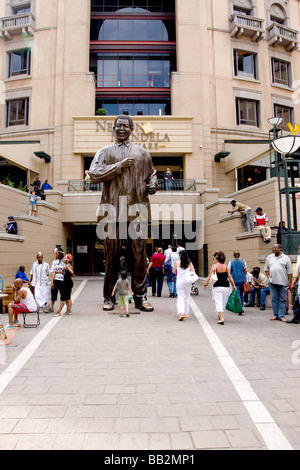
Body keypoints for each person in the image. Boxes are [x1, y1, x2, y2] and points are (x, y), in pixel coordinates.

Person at [88, 115, 158, 312]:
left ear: (131, 129)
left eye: (125, 126)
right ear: (113, 128)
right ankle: (108, 297)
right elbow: (93, 174)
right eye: (118, 126)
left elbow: (151, 174)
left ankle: (140, 296)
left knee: (139, 256)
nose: (121, 129)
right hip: (112, 212)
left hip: (137, 212)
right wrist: (117, 167)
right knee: (111, 256)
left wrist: (153, 183)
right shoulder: (105, 152)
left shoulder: (142, 153)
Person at [203, 251, 236, 325]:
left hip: (217, 286)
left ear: (217, 259)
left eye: (214, 258)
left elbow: (209, 276)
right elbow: (230, 277)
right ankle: (220, 314)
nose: (213, 259)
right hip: (226, 286)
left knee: (218, 302)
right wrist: (233, 285)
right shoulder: (226, 266)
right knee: (223, 301)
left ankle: (221, 318)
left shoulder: (214, 266)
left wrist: (205, 284)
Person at [264, 244, 293, 322]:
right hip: (272, 281)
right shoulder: (269, 257)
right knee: (274, 298)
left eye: (275, 248)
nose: (274, 249)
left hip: (283, 281)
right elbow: (266, 269)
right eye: (273, 248)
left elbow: (290, 271)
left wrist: (289, 281)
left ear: (280, 248)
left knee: (283, 299)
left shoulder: (286, 258)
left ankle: (281, 315)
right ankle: (275, 315)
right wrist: (269, 278)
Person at [173, 250, 195, 321]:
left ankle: (181, 312)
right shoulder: (189, 263)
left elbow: (173, 271)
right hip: (187, 281)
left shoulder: (177, 263)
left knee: (180, 297)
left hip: (179, 281)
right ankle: (186, 312)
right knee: (187, 297)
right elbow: (193, 271)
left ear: (180, 256)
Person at [50, 248, 65, 313]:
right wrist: (52, 282)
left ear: (60, 253)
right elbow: (53, 272)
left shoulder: (64, 261)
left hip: (62, 280)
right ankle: (52, 306)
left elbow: (64, 272)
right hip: (56, 279)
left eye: (57, 253)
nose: (56, 254)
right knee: (53, 294)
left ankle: (61, 309)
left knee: (63, 294)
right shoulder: (54, 262)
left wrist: (57, 272)